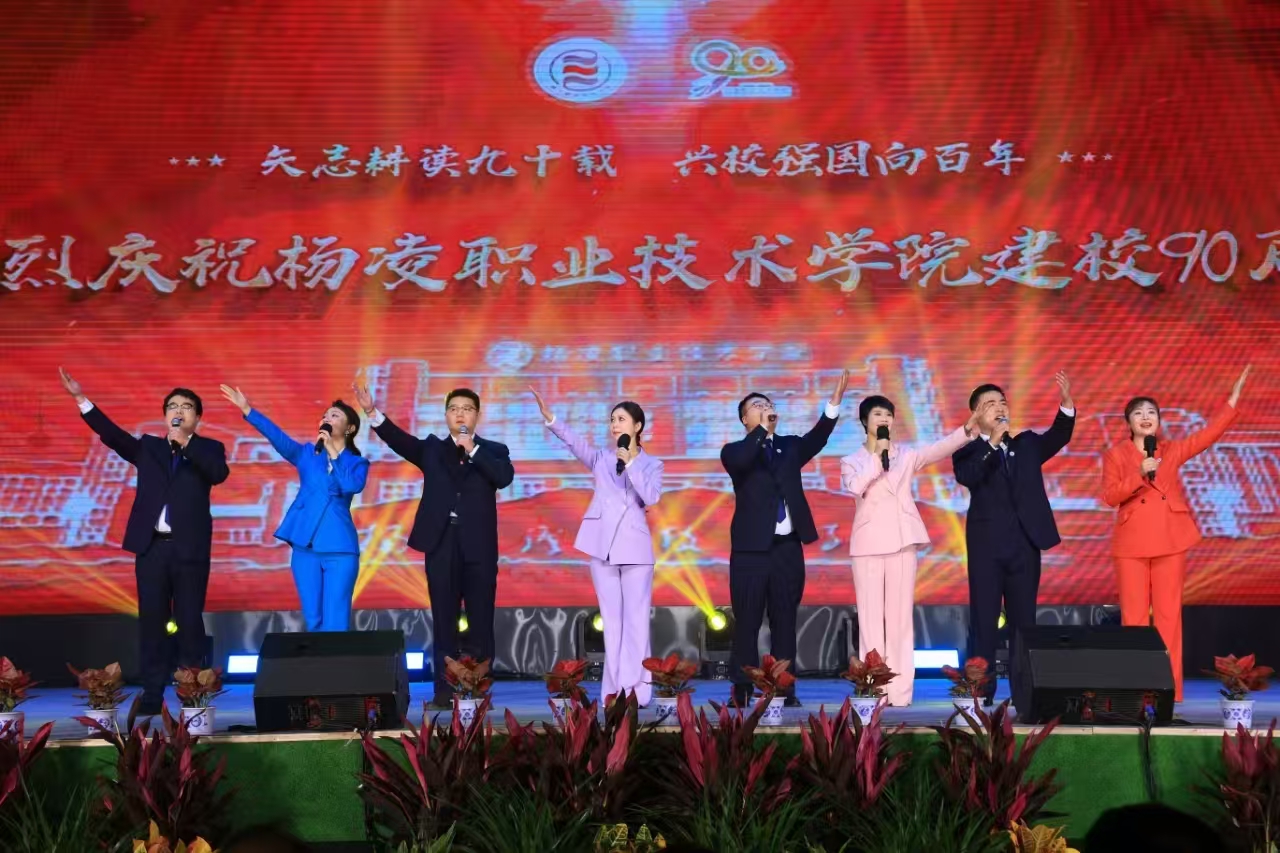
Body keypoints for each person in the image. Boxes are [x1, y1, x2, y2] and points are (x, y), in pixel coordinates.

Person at [58, 368, 229, 715]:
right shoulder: (149, 447)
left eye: (186, 407)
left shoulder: (210, 448)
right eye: (172, 406)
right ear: (165, 415)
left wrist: (187, 444)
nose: (178, 411)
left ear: (197, 418)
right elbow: (113, 436)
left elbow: (218, 473)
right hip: (151, 548)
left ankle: (192, 693)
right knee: (152, 622)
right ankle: (152, 693)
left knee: (189, 621)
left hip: (190, 550)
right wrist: (81, 398)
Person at [353, 381, 514, 708]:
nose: (460, 414)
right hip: (441, 543)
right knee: (444, 618)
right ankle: (444, 690)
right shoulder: (432, 449)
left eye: (466, 409)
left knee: (481, 619)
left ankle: (478, 689)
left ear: (477, 415)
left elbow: (503, 477)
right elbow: (399, 440)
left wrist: (473, 450)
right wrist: (371, 411)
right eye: (454, 409)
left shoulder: (494, 450)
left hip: (479, 547)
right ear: (446, 416)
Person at [1101, 365, 1249, 703]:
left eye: (1151, 412)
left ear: (1159, 420)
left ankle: (1170, 692)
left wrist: (1232, 401)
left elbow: (1208, 435)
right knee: (1134, 620)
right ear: (1128, 423)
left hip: (1170, 540)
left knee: (1169, 617)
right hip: (1132, 543)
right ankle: (1136, 691)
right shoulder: (1115, 455)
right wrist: (1139, 473)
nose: (1146, 417)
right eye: (1138, 413)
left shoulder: (1171, 450)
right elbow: (1109, 496)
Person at [839, 394, 985, 706]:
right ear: (865, 421)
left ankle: (900, 691)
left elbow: (938, 449)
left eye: (888, 414)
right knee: (870, 620)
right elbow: (855, 487)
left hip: (903, 541)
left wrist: (966, 430)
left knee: (900, 619)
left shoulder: (905, 455)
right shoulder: (851, 460)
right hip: (867, 544)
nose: (884, 419)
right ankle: (873, 690)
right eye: (877, 414)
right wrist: (877, 457)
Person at [721, 370, 849, 707]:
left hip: (787, 549)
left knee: (784, 621)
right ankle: (741, 690)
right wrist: (762, 432)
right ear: (744, 418)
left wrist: (833, 404)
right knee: (747, 622)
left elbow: (818, 438)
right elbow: (744, 459)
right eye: (757, 406)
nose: (765, 408)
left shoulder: (790, 446)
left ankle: (783, 690)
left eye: (768, 404)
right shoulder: (734, 451)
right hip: (750, 551)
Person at [530, 387, 663, 706]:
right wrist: (552, 419)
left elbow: (651, 496)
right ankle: (613, 692)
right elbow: (575, 443)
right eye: (612, 420)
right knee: (612, 624)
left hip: (635, 551)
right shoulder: (602, 459)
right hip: (602, 548)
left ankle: (638, 690)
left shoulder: (652, 463)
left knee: (636, 622)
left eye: (621, 419)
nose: (615, 425)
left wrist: (631, 463)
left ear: (638, 426)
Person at [952, 372, 1074, 705]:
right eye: (990, 404)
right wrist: (992, 444)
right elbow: (969, 476)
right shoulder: (966, 450)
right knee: (984, 621)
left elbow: (1059, 435)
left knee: (1024, 624)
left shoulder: (1027, 443)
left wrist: (1066, 403)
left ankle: (1024, 696)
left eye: (1002, 402)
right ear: (976, 414)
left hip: (1025, 545)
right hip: (986, 548)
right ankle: (981, 693)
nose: (999, 408)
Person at [219, 386, 369, 632]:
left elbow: (351, 485)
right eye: (325, 416)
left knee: (335, 622)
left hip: (339, 547)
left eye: (334, 416)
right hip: (304, 547)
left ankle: (336, 658)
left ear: (350, 428)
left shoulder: (357, 462)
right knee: (314, 620)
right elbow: (278, 438)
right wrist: (248, 410)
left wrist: (333, 451)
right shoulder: (308, 453)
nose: (327, 419)